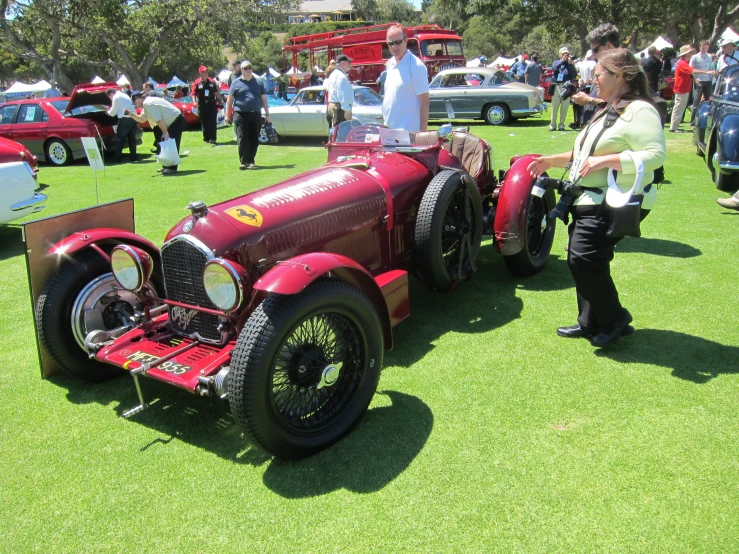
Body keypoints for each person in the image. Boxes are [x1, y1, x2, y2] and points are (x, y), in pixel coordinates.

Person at [527, 48, 666, 347]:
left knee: (583, 258)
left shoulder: (639, 110)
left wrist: (607, 162)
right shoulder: (608, 107)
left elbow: (655, 156)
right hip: (588, 199)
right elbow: (585, 155)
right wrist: (552, 159)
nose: (592, 79)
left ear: (620, 76)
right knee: (590, 259)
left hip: (615, 200)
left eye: (598, 73)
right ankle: (590, 321)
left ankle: (615, 318)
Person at [382, 24, 430, 132]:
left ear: (406, 41)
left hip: (409, 133)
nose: (394, 46)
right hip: (389, 131)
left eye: (398, 42)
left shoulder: (416, 66)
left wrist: (422, 135)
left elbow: (425, 102)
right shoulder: (390, 64)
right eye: (391, 43)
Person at [126, 90, 185, 175]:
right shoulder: (147, 104)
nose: (135, 104)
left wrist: (165, 132)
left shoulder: (148, 103)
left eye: (134, 101)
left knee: (171, 143)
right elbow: (142, 119)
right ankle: (166, 166)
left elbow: (158, 120)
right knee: (164, 142)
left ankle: (172, 168)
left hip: (176, 120)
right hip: (173, 121)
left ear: (138, 98)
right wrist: (131, 114)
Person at [225, 60, 271, 170]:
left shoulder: (259, 82)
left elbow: (264, 99)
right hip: (240, 113)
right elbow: (230, 100)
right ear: (241, 70)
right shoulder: (236, 82)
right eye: (245, 68)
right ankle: (243, 161)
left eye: (250, 68)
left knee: (254, 137)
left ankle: (251, 160)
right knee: (242, 137)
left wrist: (267, 114)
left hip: (255, 113)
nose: (248, 70)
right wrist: (227, 115)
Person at [670, 45, 715, 133]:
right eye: (690, 52)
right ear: (686, 54)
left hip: (684, 88)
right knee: (678, 108)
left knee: (680, 108)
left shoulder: (684, 62)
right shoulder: (682, 63)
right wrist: (707, 72)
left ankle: (675, 126)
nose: (691, 54)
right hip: (681, 89)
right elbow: (692, 71)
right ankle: (673, 127)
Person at [192, 65, 224, 145]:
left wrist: (220, 101)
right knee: (204, 122)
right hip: (202, 104)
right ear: (200, 73)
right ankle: (206, 138)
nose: (206, 73)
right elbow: (193, 94)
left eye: (206, 71)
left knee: (212, 121)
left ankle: (213, 138)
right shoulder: (197, 82)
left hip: (212, 103)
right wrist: (194, 102)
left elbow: (216, 92)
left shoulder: (212, 82)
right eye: (204, 72)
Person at [105, 87, 137, 163]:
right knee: (132, 139)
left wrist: (107, 112)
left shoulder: (116, 97)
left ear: (111, 94)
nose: (110, 99)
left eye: (109, 97)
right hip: (133, 118)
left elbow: (113, 113)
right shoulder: (125, 95)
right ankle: (133, 156)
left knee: (120, 139)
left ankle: (117, 157)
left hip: (124, 119)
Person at [549, 47, 577, 131]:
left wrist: (570, 64)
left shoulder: (570, 64)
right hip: (557, 85)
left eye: (567, 54)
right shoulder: (556, 62)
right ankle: (552, 124)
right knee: (555, 106)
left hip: (566, 87)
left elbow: (574, 74)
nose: (566, 55)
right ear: (560, 55)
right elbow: (554, 68)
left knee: (564, 107)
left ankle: (561, 124)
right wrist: (562, 60)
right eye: (564, 54)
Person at [325, 54, 354, 131]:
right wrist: (347, 110)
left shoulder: (333, 74)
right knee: (342, 134)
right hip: (340, 108)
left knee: (334, 132)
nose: (350, 64)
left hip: (334, 105)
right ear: (343, 63)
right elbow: (342, 95)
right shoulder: (341, 77)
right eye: (348, 62)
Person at [571, 50, 596, 130]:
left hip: (582, 85)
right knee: (589, 104)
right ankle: (588, 121)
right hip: (590, 85)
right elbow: (593, 70)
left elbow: (577, 72)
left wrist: (581, 78)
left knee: (581, 105)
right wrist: (592, 78)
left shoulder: (581, 64)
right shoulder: (593, 63)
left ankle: (581, 122)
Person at [690, 40, 713, 125]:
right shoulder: (695, 57)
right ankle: (692, 122)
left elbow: (710, 68)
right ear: (700, 47)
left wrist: (712, 73)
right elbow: (691, 70)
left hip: (708, 81)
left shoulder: (709, 57)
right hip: (698, 81)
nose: (704, 49)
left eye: (706, 47)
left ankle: (706, 120)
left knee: (708, 102)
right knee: (696, 102)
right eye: (702, 47)